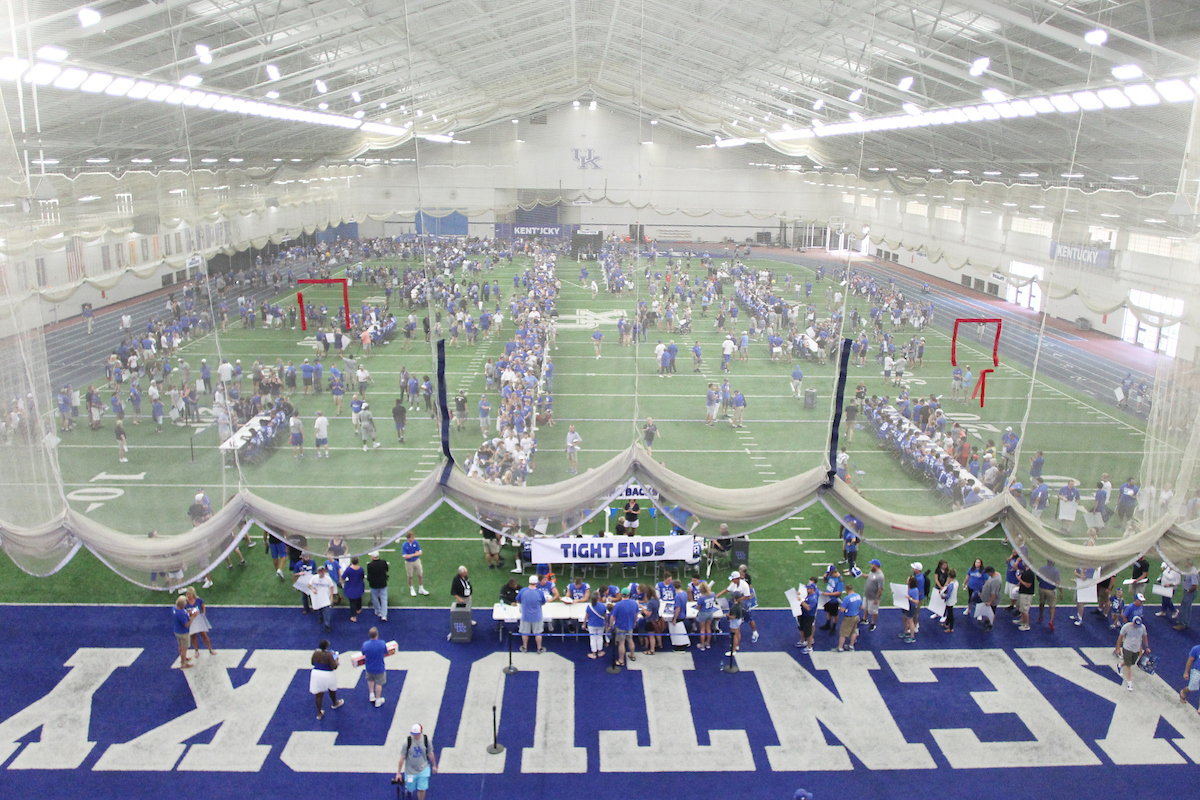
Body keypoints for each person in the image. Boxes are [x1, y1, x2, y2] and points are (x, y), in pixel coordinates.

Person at [394, 723, 437, 800]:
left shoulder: (426, 740)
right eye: (414, 734)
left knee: (422, 788)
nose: (415, 736)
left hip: (423, 769)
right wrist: (399, 773)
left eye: (417, 734)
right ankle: (409, 789)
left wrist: (434, 765)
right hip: (410, 771)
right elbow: (402, 757)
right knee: (410, 788)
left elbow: (430, 753)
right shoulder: (407, 742)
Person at [310, 640, 343, 720]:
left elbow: (312, 663)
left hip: (316, 673)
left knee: (318, 694)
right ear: (326, 646)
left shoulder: (315, 653)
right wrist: (336, 659)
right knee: (332, 689)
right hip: (328, 674)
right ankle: (335, 703)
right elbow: (334, 666)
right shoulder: (330, 654)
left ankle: (319, 713)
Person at [1114, 615, 1149, 691]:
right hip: (1127, 648)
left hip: (1136, 649)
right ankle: (1129, 682)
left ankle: (1119, 665)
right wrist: (1118, 648)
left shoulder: (1142, 627)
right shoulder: (1126, 627)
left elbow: (1144, 636)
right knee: (1128, 665)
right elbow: (1120, 638)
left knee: (1131, 662)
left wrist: (1147, 647)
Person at [611, 588, 640, 666]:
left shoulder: (618, 605)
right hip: (630, 625)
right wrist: (635, 622)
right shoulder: (634, 603)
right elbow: (637, 614)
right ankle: (632, 655)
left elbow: (612, 617)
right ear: (629, 594)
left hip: (620, 627)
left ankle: (621, 660)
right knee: (630, 640)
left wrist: (610, 625)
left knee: (621, 643)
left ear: (621, 594)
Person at [184, 586, 215, 658]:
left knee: (204, 635)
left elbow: (203, 607)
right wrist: (189, 614)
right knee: (193, 636)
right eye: (187, 594)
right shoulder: (185, 602)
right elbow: (184, 611)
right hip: (191, 620)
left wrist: (203, 614)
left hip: (199, 619)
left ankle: (210, 649)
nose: (188, 596)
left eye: (190, 594)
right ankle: (196, 651)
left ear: (193, 594)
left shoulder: (198, 600)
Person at [517, 575, 546, 653]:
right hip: (537, 616)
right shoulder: (539, 592)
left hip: (525, 616)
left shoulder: (523, 591)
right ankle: (539, 648)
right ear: (536, 583)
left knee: (525, 632)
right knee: (538, 633)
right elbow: (543, 602)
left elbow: (518, 600)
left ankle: (525, 647)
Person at [362, 626, 389, 707]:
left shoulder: (365, 644)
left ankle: (371, 695)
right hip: (379, 667)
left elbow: (363, 653)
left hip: (369, 667)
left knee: (370, 680)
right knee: (379, 683)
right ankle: (378, 699)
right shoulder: (382, 643)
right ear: (377, 634)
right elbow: (386, 652)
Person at [401, 530, 430, 597]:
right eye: (412, 537)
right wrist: (414, 554)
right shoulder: (404, 545)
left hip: (417, 561)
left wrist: (412, 555)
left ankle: (421, 588)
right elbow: (405, 556)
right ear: (408, 538)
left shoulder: (415, 543)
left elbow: (420, 552)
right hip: (409, 562)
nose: (413, 538)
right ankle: (411, 588)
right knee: (410, 576)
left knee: (420, 575)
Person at [837, 581, 863, 651]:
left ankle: (840, 647)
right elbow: (862, 606)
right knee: (854, 631)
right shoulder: (858, 596)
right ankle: (851, 646)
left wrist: (844, 608)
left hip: (849, 618)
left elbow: (842, 610)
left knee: (843, 633)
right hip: (857, 616)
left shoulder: (847, 598)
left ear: (847, 590)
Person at [1037, 560, 1063, 631]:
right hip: (1051, 590)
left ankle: (1040, 616)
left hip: (1042, 588)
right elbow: (1058, 582)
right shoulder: (1056, 571)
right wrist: (1061, 592)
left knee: (1042, 603)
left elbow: (1038, 577)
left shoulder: (1042, 568)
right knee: (1052, 606)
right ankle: (1051, 620)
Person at [310, 565, 336, 632]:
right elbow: (309, 584)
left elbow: (331, 587)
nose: (322, 572)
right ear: (318, 572)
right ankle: (321, 617)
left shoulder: (328, 579)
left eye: (323, 571)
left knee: (326, 612)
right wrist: (313, 590)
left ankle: (327, 625)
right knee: (319, 609)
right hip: (318, 597)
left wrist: (331, 597)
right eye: (321, 571)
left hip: (325, 598)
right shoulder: (314, 578)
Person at [172, 596, 196, 669]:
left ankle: (183, 658)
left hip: (177, 630)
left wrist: (188, 613)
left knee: (180, 646)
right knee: (184, 648)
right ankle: (183, 664)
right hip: (183, 633)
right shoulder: (181, 614)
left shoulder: (174, 608)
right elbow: (186, 625)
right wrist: (193, 617)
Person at [367, 551, 389, 622]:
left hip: (374, 585)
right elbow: (387, 570)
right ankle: (384, 615)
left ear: (373, 557)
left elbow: (369, 575)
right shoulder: (383, 562)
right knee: (384, 599)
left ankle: (378, 611)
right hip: (382, 583)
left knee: (375, 598)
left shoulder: (370, 565)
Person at [342, 556, 365, 622]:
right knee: (359, 598)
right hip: (359, 585)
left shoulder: (348, 569)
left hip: (350, 587)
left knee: (352, 602)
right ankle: (359, 608)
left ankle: (354, 616)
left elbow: (343, 576)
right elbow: (362, 576)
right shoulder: (361, 569)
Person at [863, 559, 884, 631]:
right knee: (865, 607)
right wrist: (861, 574)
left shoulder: (880, 576)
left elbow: (880, 589)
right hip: (867, 594)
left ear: (875, 565)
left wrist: (876, 599)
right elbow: (868, 576)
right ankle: (865, 619)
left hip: (873, 597)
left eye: (872, 564)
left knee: (874, 611)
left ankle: (873, 623)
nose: (870, 565)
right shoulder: (872, 571)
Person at [695, 582, 716, 650]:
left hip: (703, 613)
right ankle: (708, 643)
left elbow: (698, 607)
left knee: (702, 629)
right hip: (710, 612)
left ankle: (702, 644)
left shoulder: (701, 598)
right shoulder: (713, 594)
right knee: (708, 628)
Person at [586, 594, 608, 659]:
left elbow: (586, 616)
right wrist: (606, 622)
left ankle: (594, 653)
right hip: (600, 624)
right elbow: (606, 616)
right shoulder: (603, 606)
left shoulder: (589, 606)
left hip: (591, 624)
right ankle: (600, 652)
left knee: (592, 638)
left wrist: (584, 624)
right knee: (599, 637)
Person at [1180, 642, 1200, 710]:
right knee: (1192, 688)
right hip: (1197, 671)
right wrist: (1186, 672)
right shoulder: (1196, 649)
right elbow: (1190, 660)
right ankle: (1183, 691)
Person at [940, 568, 959, 633]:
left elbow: (948, 595)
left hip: (950, 601)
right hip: (953, 599)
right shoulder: (956, 582)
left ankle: (951, 628)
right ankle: (947, 624)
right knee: (949, 612)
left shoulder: (951, 585)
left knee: (950, 614)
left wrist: (943, 597)